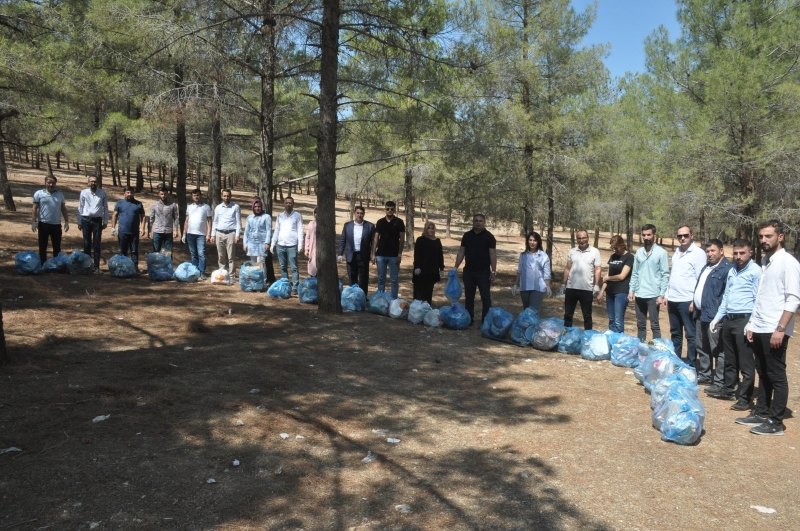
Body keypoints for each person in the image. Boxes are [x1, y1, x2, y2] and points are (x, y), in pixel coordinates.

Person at [735, 220, 800, 436]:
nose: (764, 240)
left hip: (775, 328)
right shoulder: (765, 261)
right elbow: (762, 297)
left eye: (768, 236)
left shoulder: (788, 263)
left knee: (776, 375)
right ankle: (762, 412)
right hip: (760, 326)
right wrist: (752, 323)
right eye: (761, 236)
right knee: (762, 371)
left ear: (780, 237)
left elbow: (793, 298)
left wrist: (780, 329)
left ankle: (776, 421)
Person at [706, 239, 761, 410]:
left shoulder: (755, 271)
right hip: (729, 318)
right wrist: (717, 318)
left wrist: (752, 321)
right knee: (730, 359)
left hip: (744, 319)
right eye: (735, 253)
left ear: (750, 253)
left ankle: (745, 398)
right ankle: (729, 389)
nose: (738, 256)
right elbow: (727, 297)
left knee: (745, 362)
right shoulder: (732, 271)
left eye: (742, 253)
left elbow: (758, 299)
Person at [690, 239, 732, 388]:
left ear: (721, 251)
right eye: (707, 251)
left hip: (715, 317)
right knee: (702, 347)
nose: (709, 254)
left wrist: (720, 315)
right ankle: (705, 375)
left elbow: (726, 295)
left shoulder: (727, 269)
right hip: (700, 314)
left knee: (718, 350)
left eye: (713, 250)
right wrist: (694, 301)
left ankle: (720, 381)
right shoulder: (707, 267)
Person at [663, 225, 708, 364]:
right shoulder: (677, 252)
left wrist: (695, 300)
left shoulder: (698, 253)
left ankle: (690, 364)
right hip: (673, 299)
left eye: (685, 235)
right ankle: (675, 361)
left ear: (692, 236)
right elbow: (673, 275)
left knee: (691, 335)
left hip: (687, 300)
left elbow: (701, 278)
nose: (682, 238)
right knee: (675, 333)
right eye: (680, 236)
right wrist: (667, 294)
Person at [628, 224, 670, 341]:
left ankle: (655, 349)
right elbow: (635, 273)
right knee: (641, 325)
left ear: (654, 235)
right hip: (639, 294)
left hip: (653, 295)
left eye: (648, 235)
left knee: (654, 325)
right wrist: (631, 290)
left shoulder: (661, 253)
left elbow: (665, 275)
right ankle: (641, 348)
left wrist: (661, 295)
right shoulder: (639, 252)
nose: (646, 237)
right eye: (644, 235)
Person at [454, 214, 497, 324]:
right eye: (476, 221)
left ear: (484, 222)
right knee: (469, 296)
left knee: (485, 297)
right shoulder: (467, 236)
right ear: (473, 222)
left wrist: (493, 271)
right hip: (469, 271)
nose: (478, 223)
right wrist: (455, 267)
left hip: (484, 272)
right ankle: (469, 319)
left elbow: (492, 254)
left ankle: (485, 321)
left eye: (480, 221)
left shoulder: (489, 237)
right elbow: (461, 251)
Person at [562, 229, 602, 330]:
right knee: (568, 314)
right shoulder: (572, 251)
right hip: (571, 287)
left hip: (586, 289)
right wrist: (563, 284)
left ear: (588, 238)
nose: (581, 240)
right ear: (577, 239)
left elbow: (598, 269)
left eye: (584, 238)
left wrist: (596, 285)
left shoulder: (595, 252)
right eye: (579, 238)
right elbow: (568, 268)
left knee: (587, 316)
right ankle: (566, 335)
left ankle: (588, 336)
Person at [597, 235, 634, 333]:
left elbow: (622, 276)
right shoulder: (613, 257)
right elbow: (608, 274)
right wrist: (601, 291)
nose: (614, 250)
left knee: (618, 320)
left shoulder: (629, 257)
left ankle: (618, 339)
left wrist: (608, 278)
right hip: (610, 292)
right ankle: (612, 338)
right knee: (611, 319)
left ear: (622, 245)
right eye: (612, 248)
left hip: (621, 292)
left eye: (616, 248)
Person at [31, 175, 69, 263]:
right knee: (42, 246)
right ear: (45, 183)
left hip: (56, 225)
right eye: (49, 183)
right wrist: (34, 222)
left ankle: (56, 265)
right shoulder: (39, 194)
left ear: (55, 184)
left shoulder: (60, 195)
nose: (51, 185)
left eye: (53, 183)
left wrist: (66, 221)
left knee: (57, 247)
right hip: (43, 224)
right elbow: (34, 208)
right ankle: (43, 264)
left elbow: (63, 208)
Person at [371, 201, 405, 298]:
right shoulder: (380, 222)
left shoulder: (399, 222)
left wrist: (399, 255)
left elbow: (402, 239)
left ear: (394, 210)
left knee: (394, 280)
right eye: (387, 209)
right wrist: (373, 254)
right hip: (381, 255)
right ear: (384, 209)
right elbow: (376, 238)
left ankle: (393, 300)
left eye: (392, 209)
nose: (389, 210)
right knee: (381, 279)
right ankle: (380, 300)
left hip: (394, 255)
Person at [338, 205, 375, 293]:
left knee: (363, 278)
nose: (359, 215)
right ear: (354, 213)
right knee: (352, 277)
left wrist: (373, 253)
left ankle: (363, 297)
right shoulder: (347, 225)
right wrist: (340, 254)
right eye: (357, 213)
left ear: (364, 214)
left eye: (361, 213)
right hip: (351, 255)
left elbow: (374, 241)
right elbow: (343, 240)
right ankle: (353, 297)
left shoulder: (370, 226)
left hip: (363, 256)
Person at [270, 196, 303, 294]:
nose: (288, 204)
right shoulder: (280, 216)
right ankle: (286, 286)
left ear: (293, 204)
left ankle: (295, 287)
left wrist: (300, 244)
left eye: (290, 203)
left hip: (292, 245)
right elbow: (276, 230)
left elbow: (300, 231)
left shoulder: (297, 216)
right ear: (284, 204)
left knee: (294, 267)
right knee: (283, 267)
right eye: (287, 203)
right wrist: (273, 243)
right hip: (280, 245)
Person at [512, 231, 551, 313]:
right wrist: (515, 284)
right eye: (530, 240)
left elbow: (547, 273)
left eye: (534, 240)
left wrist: (548, 286)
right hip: (525, 287)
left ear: (538, 242)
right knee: (526, 312)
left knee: (532, 311)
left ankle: (534, 322)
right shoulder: (523, 255)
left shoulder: (543, 256)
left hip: (538, 288)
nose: (532, 242)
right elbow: (519, 270)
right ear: (527, 241)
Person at [77, 176, 108, 273]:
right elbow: (80, 207)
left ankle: (96, 267)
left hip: (97, 221)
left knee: (97, 244)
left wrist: (105, 221)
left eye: (95, 181)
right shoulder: (84, 192)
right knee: (87, 244)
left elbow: (105, 207)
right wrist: (79, 221)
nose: (93, 183)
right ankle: (87, 266)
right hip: (85, 220)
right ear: (88, 183)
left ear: (97, 183)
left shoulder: (102, 193)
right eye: (91, 181)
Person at [110, 186, 146, 269]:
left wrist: (142, 228)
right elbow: (115, 215)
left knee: (134, 251)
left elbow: (143, 216)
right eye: (128, 192)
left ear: (133, 193)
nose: (130, 194)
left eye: (131, 192)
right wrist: (113, 227)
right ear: (124, 193)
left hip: (134, 232)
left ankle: (135, 268)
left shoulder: (138, 204)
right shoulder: (120, 203)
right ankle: (123, 268)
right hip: (123, 231)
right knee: (123, 251)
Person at [182, 189, 212, 280]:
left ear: (200, 196)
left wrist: (208, 234)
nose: (196, 197)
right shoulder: (189, 207)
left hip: (201, 234)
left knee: (201, 253)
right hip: (190, 234)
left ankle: (202, 272)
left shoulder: (206, 207)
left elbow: (209, 221)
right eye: (194, 195)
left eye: (198, 195)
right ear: (192, 197)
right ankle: (195, 271)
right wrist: (184, 234)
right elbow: (186, 221)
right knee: (193, 254)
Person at [210, 189, 241, 276]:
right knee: (221, 256)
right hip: (219, 233)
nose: (226, 197)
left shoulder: (235, 207)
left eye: (228, 196)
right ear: (221, 196)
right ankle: (222, 274)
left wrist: (237, 235)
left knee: (231, 256)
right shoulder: (218, 208)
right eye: (224, 196)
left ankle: (231, 275)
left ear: (230, 196)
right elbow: (215, 221)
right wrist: (213, 235)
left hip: (231, 234)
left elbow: (238, 222)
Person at [413, 221, 445, 304]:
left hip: (432, 270)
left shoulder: (437, 241)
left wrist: (441, 268)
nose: (431, 230)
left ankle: (426, 307)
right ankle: (417, 308)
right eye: (429, 228)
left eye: (432, 228)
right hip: (421, 270)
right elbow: (417, 254)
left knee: (428, 292)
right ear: (425, 229)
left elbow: (440, 255)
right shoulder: (420, 240)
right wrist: (417, 266)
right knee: (419, 292)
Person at [243, 198, 272, 274]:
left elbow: (268, 230)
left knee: (261, 263)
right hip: (251, 244)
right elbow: (246, 232)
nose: (257, 208)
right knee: (253, 263)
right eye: (255, 206)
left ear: (261, 207)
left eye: (259, 206)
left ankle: (263, 279)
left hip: (262, 243)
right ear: (253, 207)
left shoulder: (266, 217)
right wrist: (245, 244)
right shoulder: (249, 218)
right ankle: (255, 279)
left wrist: (267, 242)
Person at [147, 185, 179, 253]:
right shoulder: (154, 206)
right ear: (158, 194)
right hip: (157, 232)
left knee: (168, 253)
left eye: (165, 194)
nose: (163, 196)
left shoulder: (172, 205)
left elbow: (176, 218)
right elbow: (151, 219)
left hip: (168, 232)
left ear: (167, 194)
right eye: (161, 194)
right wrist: (149, 231)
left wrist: (176, 230)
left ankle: (168, 260)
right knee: (156, 252)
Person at [305, 208, 317, 276]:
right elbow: (308, 237)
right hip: (313, 250)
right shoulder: (311, 224)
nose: (316, 214)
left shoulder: (326, 225)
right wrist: (306, 249)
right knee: (313, 268)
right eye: (315, 213)